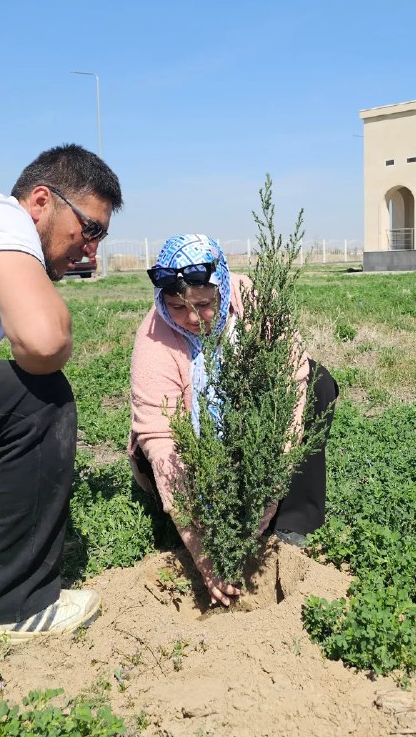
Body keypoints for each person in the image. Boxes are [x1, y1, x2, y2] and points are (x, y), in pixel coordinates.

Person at [0, 144, 123, 640]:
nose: (91, 249)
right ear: (40, 201)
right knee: (38, 399)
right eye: (89, 228)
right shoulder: (1, 216)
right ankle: (9, 605)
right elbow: (43, 341)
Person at [128, 234, 338, 606]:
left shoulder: (254, 302)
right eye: (176, 307)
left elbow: (291, 383)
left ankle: (293, 520)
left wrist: (268, 496)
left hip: (249, 433)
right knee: (156, 450)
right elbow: (161, 440)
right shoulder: (154, 337)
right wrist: (200, 551)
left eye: (203, 304)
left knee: (318, 383)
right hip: (191, 456)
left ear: (222, 288)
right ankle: (196, 520)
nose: (192, 318)